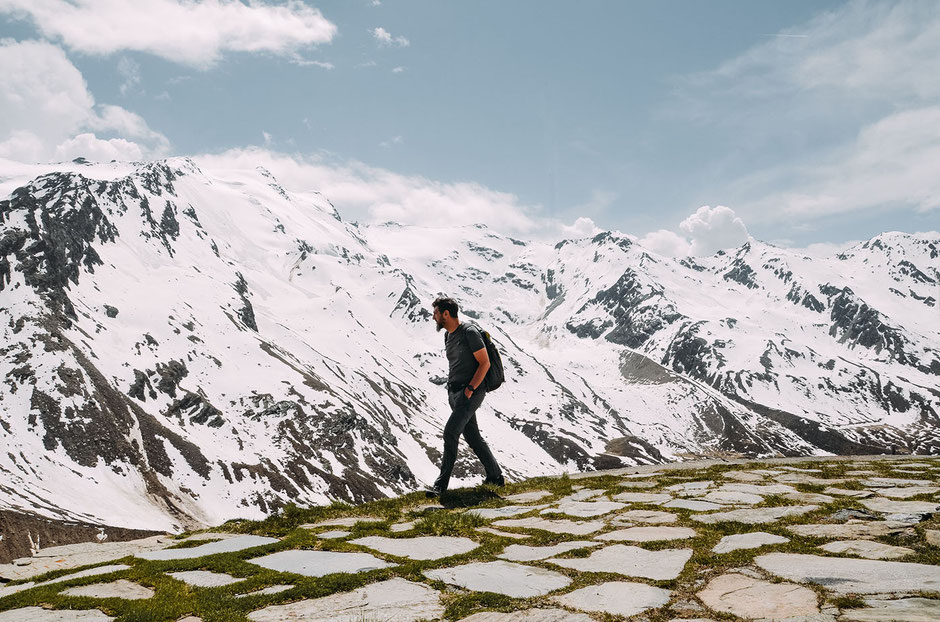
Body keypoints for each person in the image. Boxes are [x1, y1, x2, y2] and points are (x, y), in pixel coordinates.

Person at [425, 296, 504, 497]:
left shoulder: (469, 332)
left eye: (436, 313)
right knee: (472, 436)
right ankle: (496, 476)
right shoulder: (448, 336)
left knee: (450, 432)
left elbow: (484, 363)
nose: (433, 317)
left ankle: (440, 486)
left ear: (446, 313)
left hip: (471, 392)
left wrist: (470, 389)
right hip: (455, 393)